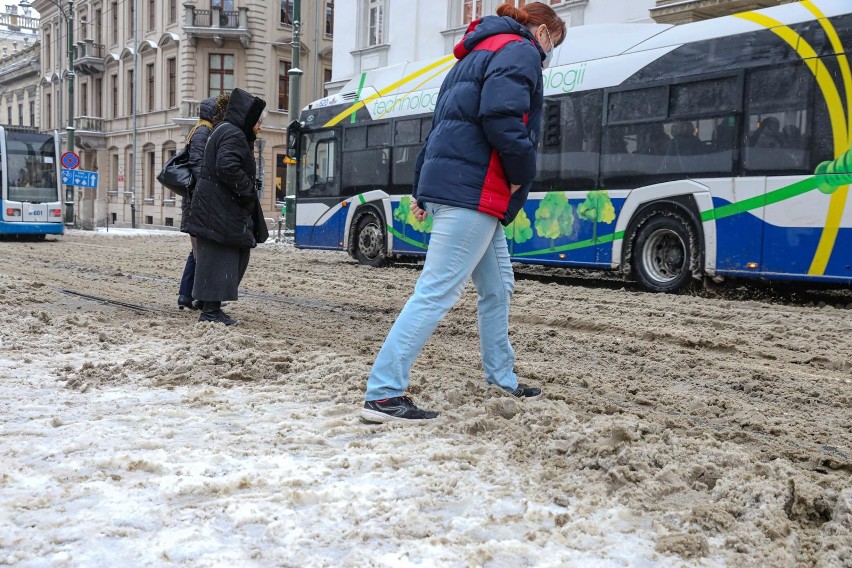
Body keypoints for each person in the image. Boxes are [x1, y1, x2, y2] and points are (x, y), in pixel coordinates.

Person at [360, 2, 565, 423]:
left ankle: (502, 377)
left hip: (460, 186)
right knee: (436, 291)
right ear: (542, 31)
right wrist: (519, 175)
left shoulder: (474, 55)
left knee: (497, 286)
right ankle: (383, 394)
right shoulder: (521, 50)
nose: (549, 54)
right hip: (477, 190)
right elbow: (503, 117)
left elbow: (441, 126)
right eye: (553, 44)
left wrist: (422, 186)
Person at [185, 88, 267, 326]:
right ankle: (210, 311)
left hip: (218, 207)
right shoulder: (233, 134)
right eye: (258, 121)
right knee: (221, 257)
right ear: (248, 117)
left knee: (229, 256)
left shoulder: (226, 130)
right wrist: (247, 189)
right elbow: (227, 166)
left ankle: (210, 306)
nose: (259, 126)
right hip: (220, 208)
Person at [177, 93, 229, 310]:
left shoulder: (201, 130)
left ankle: (186, 295)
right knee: (202, 254)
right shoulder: (202, 131)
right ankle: (200, 297)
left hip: (194, 201)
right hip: (197, 202)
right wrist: (209, 192)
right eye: (220, 112)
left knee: (197, 252)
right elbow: (197, 165)